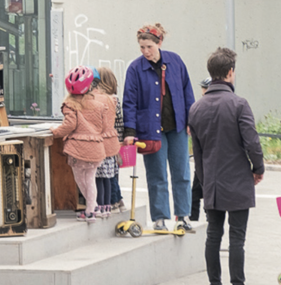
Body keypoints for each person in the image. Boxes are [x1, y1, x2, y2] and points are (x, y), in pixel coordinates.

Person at [187, 47, 264, 285]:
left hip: (212, 182)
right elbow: (252, 141)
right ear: (230, 73)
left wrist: (205, 180)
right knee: (237, 238)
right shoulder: (239, 103)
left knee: (213, 235)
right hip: (238, 179)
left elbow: (196, 154)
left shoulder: (196, 108)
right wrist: (258, 168)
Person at [122, 22, 197, 233]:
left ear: (159, 43)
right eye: (142, 48)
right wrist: (130, 132)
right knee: (157, 175)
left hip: (178, 127)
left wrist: (191, 120)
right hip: (150, 129)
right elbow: (129, 102)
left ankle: (183, 216)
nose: (145, 52)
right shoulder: (135, 68)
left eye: (149, 47)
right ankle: (160, 218)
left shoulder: (175, 61)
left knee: (181, 172)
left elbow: (187, 91)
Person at [51, 66, 119, 223]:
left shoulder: (71, 104)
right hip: (96, 148)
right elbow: (103, 126)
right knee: (90, 178)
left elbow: (69, 125)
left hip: (78, 150)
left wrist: (55, 132)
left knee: (80, 179)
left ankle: (90, 209)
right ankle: (92, 209)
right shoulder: (99, 104)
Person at [93, 67, 124, 216]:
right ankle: (117, 201)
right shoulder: (114, 99)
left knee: (105, 175)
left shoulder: (103, 100)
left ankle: (112, 201)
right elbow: (119, 121)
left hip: (106, 142)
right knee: (112, 173)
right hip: (115, 141)